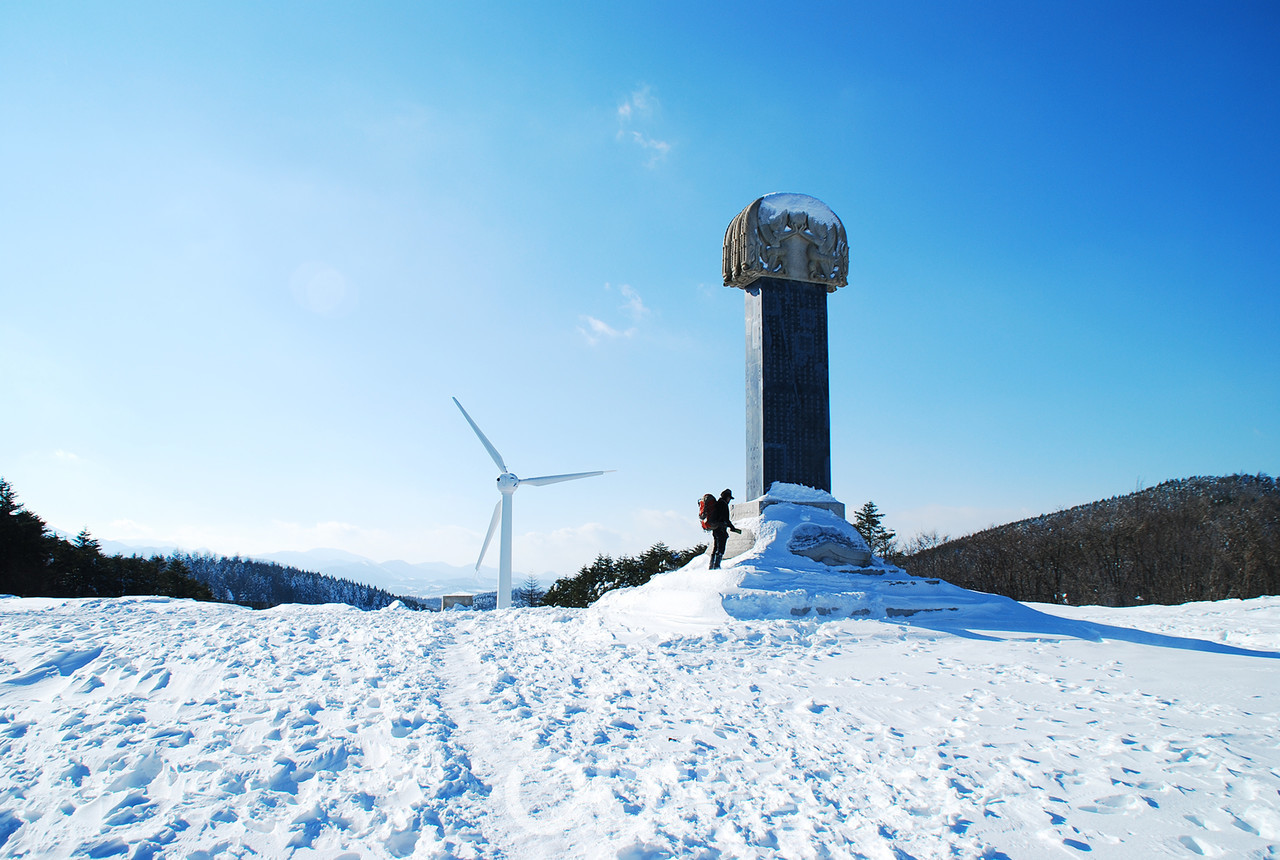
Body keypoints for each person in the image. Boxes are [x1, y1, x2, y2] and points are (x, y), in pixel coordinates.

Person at [707, 488, 741, 570]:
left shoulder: (718, 503)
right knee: (721, 547)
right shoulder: (723, 504)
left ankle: (711, 565)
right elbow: (725, 517)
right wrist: (732, 527)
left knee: (716, 547)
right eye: (729, 498)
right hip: (721, 528)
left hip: (715, 528)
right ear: (727, 497)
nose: (730, 500)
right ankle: (717, 566)